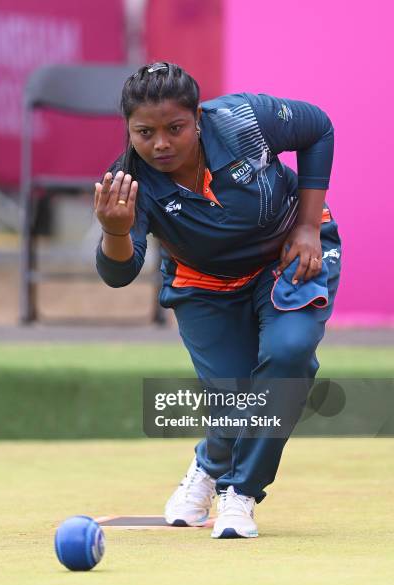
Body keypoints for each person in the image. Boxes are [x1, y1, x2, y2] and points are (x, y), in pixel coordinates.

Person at [94, 61, 342, 539]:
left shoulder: (245, 119)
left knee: (289, 354)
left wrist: (309, 225)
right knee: (232, 397)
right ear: (128, 129)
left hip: (290, 253)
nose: (161, 143)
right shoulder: (128, 181)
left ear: (199, 118)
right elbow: (118, 273)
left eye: (175, 128)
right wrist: (114, 232)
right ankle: (208, 466)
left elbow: (319, 128)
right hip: (204, 282)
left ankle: (240, 493)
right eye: (145, 132)